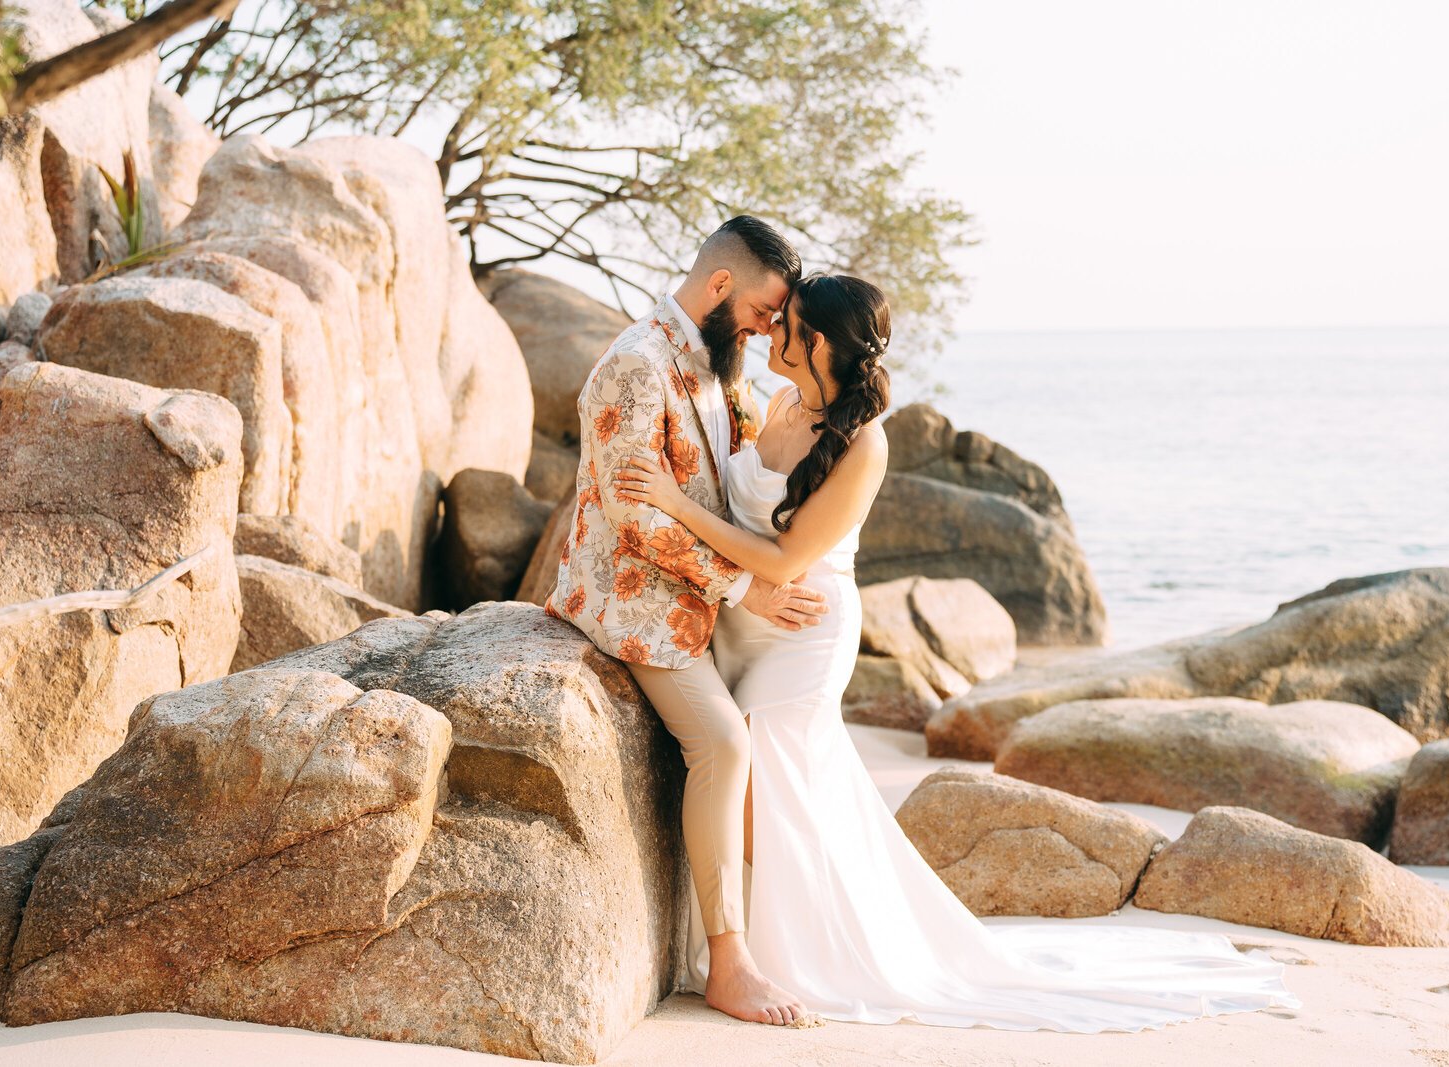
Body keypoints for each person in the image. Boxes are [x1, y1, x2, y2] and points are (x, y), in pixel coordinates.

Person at [615, 272, 1299, 1030]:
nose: (770, 327)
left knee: (764, 779)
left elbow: (782, 562)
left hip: (802, 636)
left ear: (818, 344)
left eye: (787, 324)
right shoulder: (774, 403)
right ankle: (779, 941)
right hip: (742, 623)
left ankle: (805, 950)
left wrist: (672, 505)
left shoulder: (862, 446)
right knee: (789, 798)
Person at [546, 216, 827, 1024]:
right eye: (767, 312)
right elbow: (636, 521)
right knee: (725, 740)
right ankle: (728, 962)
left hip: (702, 597)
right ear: (719, 288)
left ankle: (791, 925)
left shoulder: (717, 366)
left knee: (779, 726)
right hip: (630, 596)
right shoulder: (635, 367)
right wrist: (748, 591)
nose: (773, 329)